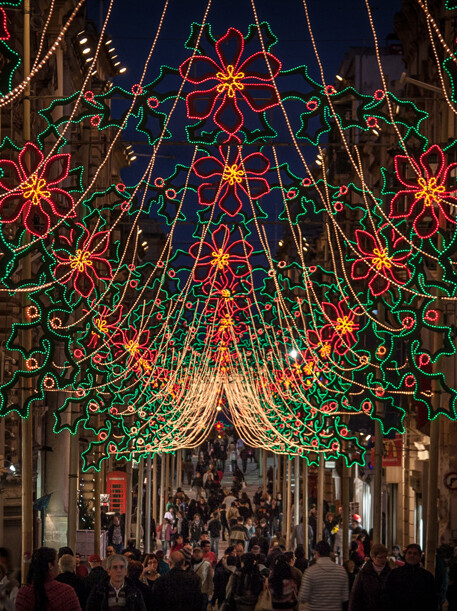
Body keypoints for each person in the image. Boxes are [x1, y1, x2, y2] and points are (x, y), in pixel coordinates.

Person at [15, 547, 82, 611]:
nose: (58, 565)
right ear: (50, 565)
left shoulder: (24, 594)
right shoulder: (66, 592)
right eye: (56, 562)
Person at [298, 540, 349, 611]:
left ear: (317, 553)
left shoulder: (310, 572)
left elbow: (303, 598)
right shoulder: (341, 571)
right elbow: (345, 598)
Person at [386, 543, 438, 610]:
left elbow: (432, 600)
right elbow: (389, 596)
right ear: (405, 556)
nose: (412, 555)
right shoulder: (395, 574)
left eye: (415, 553)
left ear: (420, 557)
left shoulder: (427, 576)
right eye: (409, 553)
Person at [348, 543, 391, 611]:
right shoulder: (364, 573)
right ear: (373, 557)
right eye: (380, 557)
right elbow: (355, 596)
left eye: (385, 557)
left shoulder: (390, 573)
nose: (383, 560)